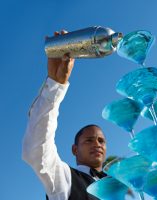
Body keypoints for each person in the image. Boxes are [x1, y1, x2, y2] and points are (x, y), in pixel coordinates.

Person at [22, 30, 107, 200]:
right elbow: (36, 151)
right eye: (89, 140)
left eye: (101, 140)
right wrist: (55, 85)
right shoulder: (65, 180)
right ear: (75, 150)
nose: (97, 144)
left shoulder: (117, 187)